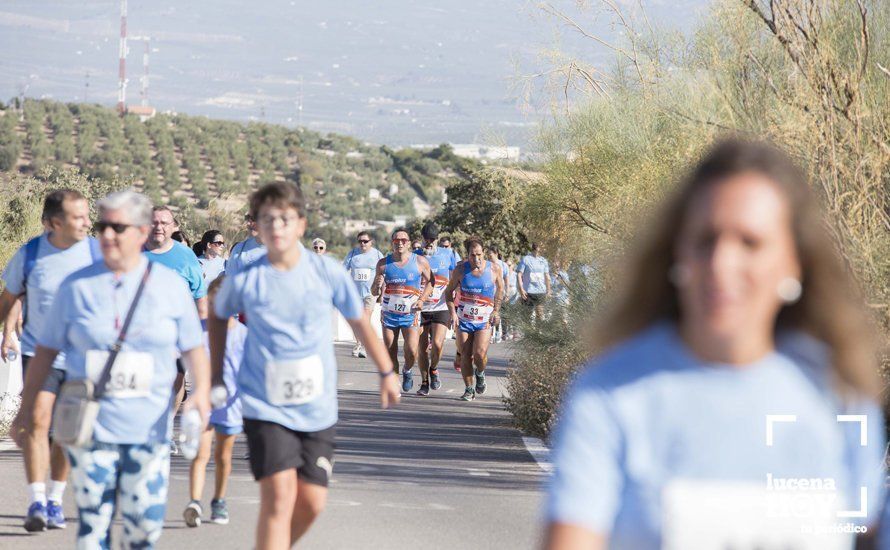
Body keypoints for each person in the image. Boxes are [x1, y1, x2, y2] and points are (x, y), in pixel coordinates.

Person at [544, 139, 887, 549]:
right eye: (705, 240)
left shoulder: (842, 397)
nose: (721, 265)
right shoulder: (610, 394)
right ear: (677, 254)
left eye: (750, 243)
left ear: (795, 262)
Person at [13, 189, 211, 549]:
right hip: (92, 431)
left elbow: (193, 347)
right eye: (102, 225)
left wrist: (201, 398)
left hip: (149, 435)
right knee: (92, 533)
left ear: (139, 231)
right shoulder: (76, 286)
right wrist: (27, 406)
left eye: (116, 227)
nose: (105, 234)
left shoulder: (169, 287)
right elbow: (45, 350)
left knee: (141, 535)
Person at [208, 181, 400, 549]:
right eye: (268, 219)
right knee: (278, 499)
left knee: (311, 502)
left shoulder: (325, 271)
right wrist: (216, 375)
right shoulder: (246, 274)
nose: (276, 227)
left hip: (316, 406)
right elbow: (218, 316)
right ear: (258, 227)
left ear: (301, 224)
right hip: (265, 403)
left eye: (285, 218)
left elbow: (360, 321)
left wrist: (386, 372)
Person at [0, 189, 99, 532]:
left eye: (87, 215)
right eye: (79, 217)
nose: (87, 222)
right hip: (39, 353)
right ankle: (37, 501)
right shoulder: (30, 254)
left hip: (84, 357)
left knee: (67, 435)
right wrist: (5, 330)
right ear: (55, 223)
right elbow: (9, 296)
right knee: (37, 422)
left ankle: (56, 499)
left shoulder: (97, 253)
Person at [184, 276, 245, 528]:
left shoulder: (244, 334)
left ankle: (219, 500)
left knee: (223, 455)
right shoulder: (197, 329)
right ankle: (194, 502)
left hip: (231, 404)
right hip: (202, 401)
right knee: (201, 452)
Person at [145, 206, 208, 451]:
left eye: (164, 222)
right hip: (138, 335)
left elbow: (200, 298)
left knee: (176, 380)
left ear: (173, 227)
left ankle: (166, 428)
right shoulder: (131, 252)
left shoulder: (186, 257)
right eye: (154, 222)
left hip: (177, 334)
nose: (159, 227)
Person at [372, 228, 433, 393]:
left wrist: (421, 299)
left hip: (410, 313)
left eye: (403, 240)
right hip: (389, 313)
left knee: (412, 350)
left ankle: (407, 369)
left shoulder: (420, 261)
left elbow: (431, 282)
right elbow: (373, 292)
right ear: (392, 242)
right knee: (390, 348)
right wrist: (376, 285)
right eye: (396, 240)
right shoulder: (383, 264)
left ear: (409, 243)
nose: (400, 243)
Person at [444, 237, 503, 401]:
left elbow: (501, 289)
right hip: (464, 319)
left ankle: (480, 373)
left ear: (483, 252)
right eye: (472, 255)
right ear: (467, 255)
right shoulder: (461, 270)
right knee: (465, 355)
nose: (476, 259)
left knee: (479, 354)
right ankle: (469, 389)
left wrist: (496, 310)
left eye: (478, 254)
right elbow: (448, 293)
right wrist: (453, 313)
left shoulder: (494, 269)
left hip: (484, 320)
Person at [416, 223, 456, 395]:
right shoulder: (414, 256)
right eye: (427, 239)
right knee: (422, 347)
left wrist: (455, 304)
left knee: (438, 344)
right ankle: (424, 382)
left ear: (437, 239)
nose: (430, 242)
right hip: (420, 308)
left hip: (441, 306)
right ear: (422, 239)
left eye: (433, 239)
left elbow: (455, 279)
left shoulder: (448, 254)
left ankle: (434, 368)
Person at [342, 231, 384, 358]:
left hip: (370, 293)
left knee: (365, 318)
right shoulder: (353, 253)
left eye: (365, 241)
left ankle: (364, 346)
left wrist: (382, 293)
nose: (362, 243)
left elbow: (383, 274)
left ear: (371, 241)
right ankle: (359, 343)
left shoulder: (377, 254)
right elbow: (344, 271)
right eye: (360, 241)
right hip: (355, 293)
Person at [516, 243, 551, 320]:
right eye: (537, 249)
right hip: (528, 292)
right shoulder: (526, 259)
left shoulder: (543, 261)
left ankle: (538, 332)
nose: (539, 251)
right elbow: (519, 274)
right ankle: (528, 332)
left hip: (540, 291)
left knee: (540, 315)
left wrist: (548, 290)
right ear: (535, 249)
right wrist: (521, 289)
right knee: (527, 317)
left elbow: (547, 276)